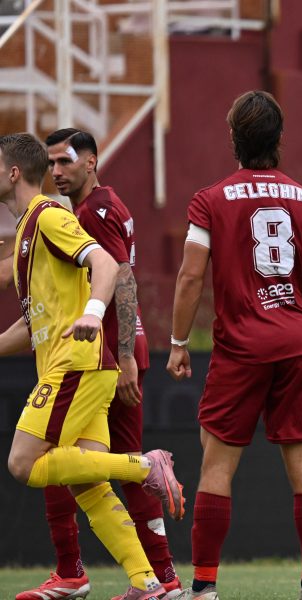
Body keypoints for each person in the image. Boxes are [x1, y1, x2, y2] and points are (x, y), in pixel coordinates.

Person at [166, 90, 302, 600]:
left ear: (233, 139)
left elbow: (189, 277)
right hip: (294, 347)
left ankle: (205, 587)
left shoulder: (210, 200)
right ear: (279, 139)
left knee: (217, 469)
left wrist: (178, 342)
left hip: (239, 351)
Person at [0, 132, 184, 600]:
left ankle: (144, 465)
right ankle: (149, 583)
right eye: (54, 163)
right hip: (82, 364)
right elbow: (35, 321)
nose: (59, 171)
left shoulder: (49, 215)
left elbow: (106, 265)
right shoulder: (29, 228)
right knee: (88, 485)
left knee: (22, 462)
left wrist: (93, 313)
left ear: (13, 172)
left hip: (77, 364)